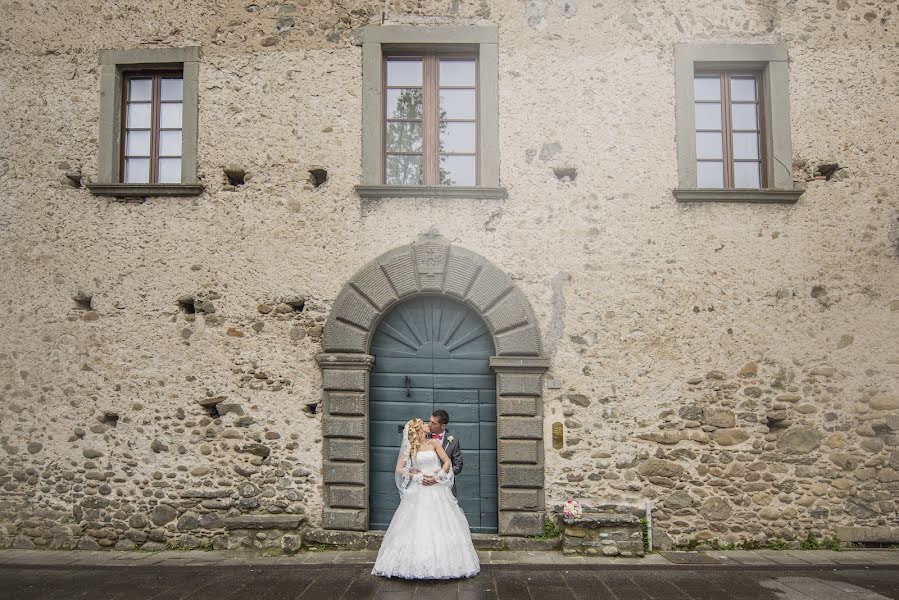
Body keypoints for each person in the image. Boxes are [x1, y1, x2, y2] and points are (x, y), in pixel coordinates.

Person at [371, 418, 480, 580]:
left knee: (442, 523)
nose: (428, 425)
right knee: (418, 523)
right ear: (417, 429)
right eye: (424, 423)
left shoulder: (434, 443)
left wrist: (439, 476)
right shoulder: (411, 448)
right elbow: (399, 469)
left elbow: (448, 461)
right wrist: (416, 477)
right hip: (419, 488)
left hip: (437, 488)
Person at [426, 409, 463, 496]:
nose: (429, 425)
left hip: (446, 486)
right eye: (430, 421)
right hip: (426, 485)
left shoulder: (453, 441)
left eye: (433, 423)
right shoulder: (424, 437)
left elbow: (458, 466)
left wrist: (441, 477)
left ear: (443, 426)